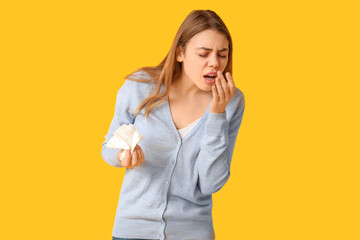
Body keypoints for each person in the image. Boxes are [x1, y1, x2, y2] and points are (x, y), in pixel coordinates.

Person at [101, 9, 245, 240]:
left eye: (222, 54)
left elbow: (211, 183)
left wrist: (217, 113)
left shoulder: (232, 102)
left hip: (193, 232)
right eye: (203, 54)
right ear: (180, 52)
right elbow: (108, 146)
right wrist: (122, 156)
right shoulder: (139, 86)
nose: (215, 63)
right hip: (133, 230)